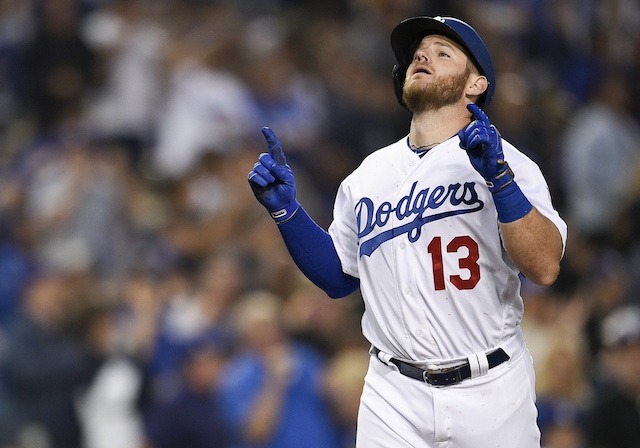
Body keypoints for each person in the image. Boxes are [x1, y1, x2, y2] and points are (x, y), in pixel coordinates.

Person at [248, 15, 567, 448]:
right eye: (419, 52)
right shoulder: (367, 175)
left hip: (490, 388)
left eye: (442, 52)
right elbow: (340, 279)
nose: (423, 55)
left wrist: (503, 182)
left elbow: (545, 267)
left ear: (476, 84)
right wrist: (288, 214)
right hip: (393, 391)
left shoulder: (508, 161)